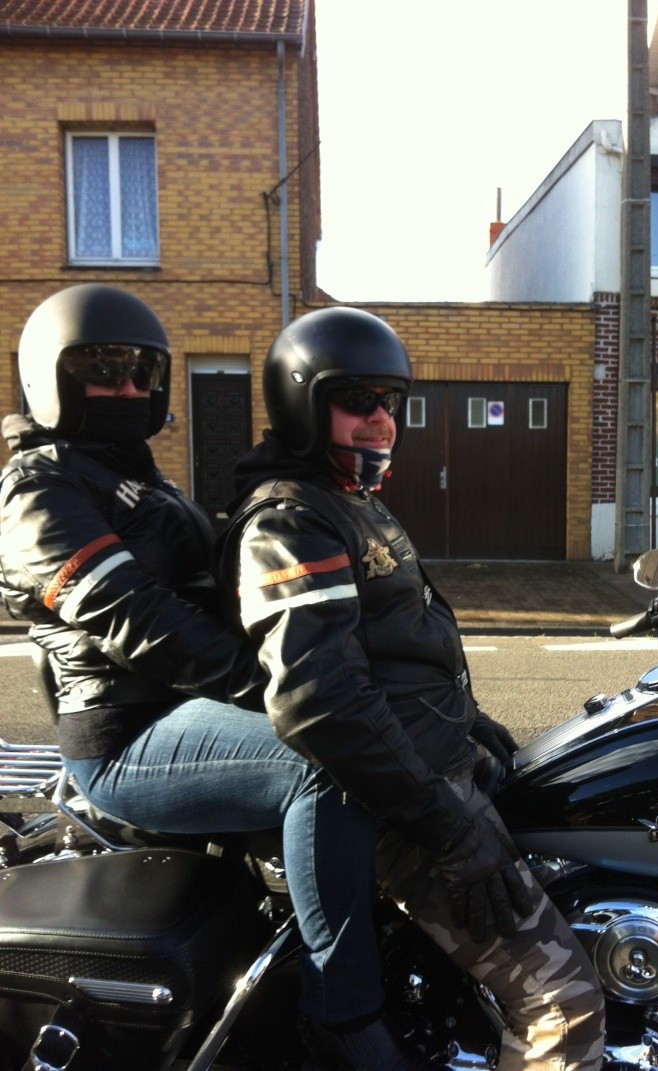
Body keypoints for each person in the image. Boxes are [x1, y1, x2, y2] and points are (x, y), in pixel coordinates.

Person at [0, 285, 421, 1071]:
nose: (127, 389)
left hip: (192, 714)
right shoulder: (37, 488)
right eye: (103, 370)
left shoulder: (144, 482)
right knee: (325, 761)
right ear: (50, 377)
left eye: (140, 374)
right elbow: (137, 617)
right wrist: (278, 691)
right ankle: (343, 1014)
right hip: (127, 733)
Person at [220, 305, 606, 1071]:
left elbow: (399, 653)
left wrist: (472, 721)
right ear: (302, 400)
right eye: (357, 401)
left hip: (434, 766)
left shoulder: (349, 502)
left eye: (390, 403)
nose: (380, 421)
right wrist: (448, 827)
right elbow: (322, 698)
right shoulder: (288, 522)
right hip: (405, 799)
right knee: (562, 1001)